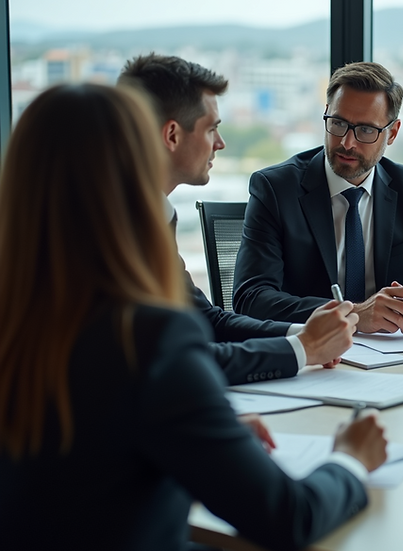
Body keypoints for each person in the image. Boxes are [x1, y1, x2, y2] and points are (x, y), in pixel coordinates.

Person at [0, 83, 388, 550]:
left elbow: (78, 445)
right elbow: (290, 517)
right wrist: (349, 459)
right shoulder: (144, 337)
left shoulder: (25, 311)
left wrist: (192, 429)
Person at [119, 53, 357, 385]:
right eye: (211, 129)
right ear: (172, 135)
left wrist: (305, 331)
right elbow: (176, 362)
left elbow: (206, 319)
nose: (220, 143)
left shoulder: (146, 213)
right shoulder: (117, 229)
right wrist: (304, 348)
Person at [233, 61, 403, 334]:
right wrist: (353, 314)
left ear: (392, 133)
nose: (347, 143)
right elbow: (251, 298)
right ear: (326, 114)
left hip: (393, 360)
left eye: (365, 130)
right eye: (338, 123)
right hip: (309, 358)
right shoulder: (276, 189)